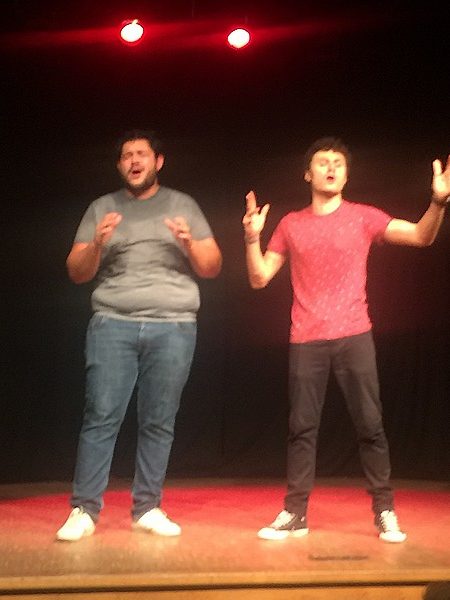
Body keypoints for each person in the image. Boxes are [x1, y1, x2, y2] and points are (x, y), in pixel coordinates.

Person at [242, 137, 450, 543]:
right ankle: (295, 513)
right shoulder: (291, 224)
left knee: (370, 425)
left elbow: (420, 237)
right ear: (308, 174)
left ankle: (385, 510)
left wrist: (438, 203)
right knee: (302, 429)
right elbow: (259, 277)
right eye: (323, 162)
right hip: (307, 337)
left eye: (339, 162)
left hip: (354, 334)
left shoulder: (363, 217)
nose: (332, 168)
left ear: (347, 175)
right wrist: (252, 239)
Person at [56, 129, 222, 541]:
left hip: (173, 324)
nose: (134, 160)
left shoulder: (183, 205)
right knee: (101, 416)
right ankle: (84, 509)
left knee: (158, 419)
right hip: (113, 322)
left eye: (142, 154)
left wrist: (188, 242)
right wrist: (97, 243)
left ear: (157, 162)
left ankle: (147, 506)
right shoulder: (102, 208)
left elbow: (212, 266)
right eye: (127, 155)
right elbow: (77, 272)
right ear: (120, 165)